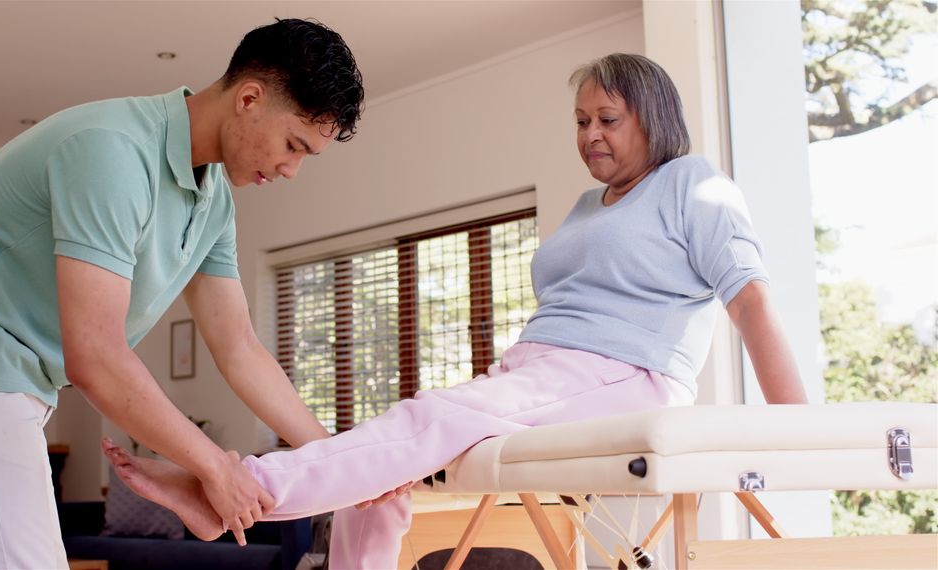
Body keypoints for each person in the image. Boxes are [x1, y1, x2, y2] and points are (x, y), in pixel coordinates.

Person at [100, 52, 810, 569]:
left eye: (608, 119)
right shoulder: (591, 205)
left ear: (653, 118)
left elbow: (749, 301)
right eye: (581, 120)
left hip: (622, 374)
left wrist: (797, 434)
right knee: (381, 478)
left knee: (425, 420)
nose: (591, 134)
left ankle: (236, 490)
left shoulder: (693, 183)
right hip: (540, 373)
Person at [0, 18, 363, 569]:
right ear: (249, 98)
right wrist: (213, 467)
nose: (291, 169)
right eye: (293, 145)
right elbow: (96, 355)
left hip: (13, 376)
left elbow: (239, 347)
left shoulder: (214, 200)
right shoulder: (112, 151)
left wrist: (345, 459)